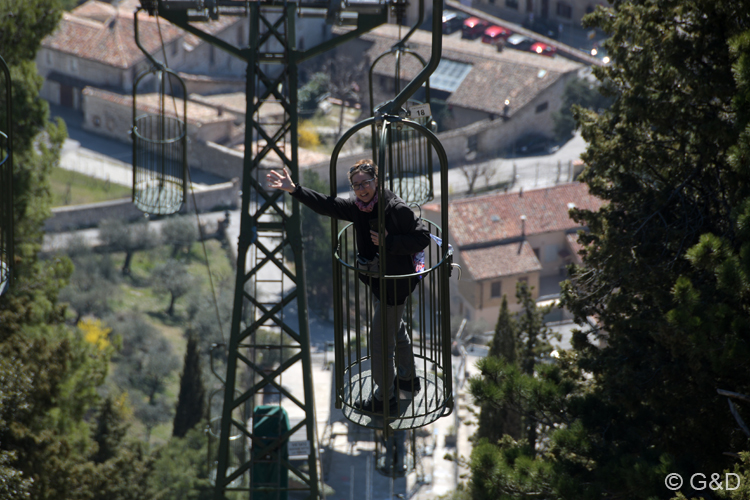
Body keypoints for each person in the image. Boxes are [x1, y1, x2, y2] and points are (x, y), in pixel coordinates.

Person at [267, 160, 430, 414]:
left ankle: (384, 400)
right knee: (396, 331)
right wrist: (295, 189)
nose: (362, 189)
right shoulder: (359, 208)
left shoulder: (394, 209)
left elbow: (422, 238)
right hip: (378, 281)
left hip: (394, 286)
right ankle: (408, 380)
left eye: (366, 183)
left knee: (380, 344)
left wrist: (390, 241)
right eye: (356, 185)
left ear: (376, 180)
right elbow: (327, 205)